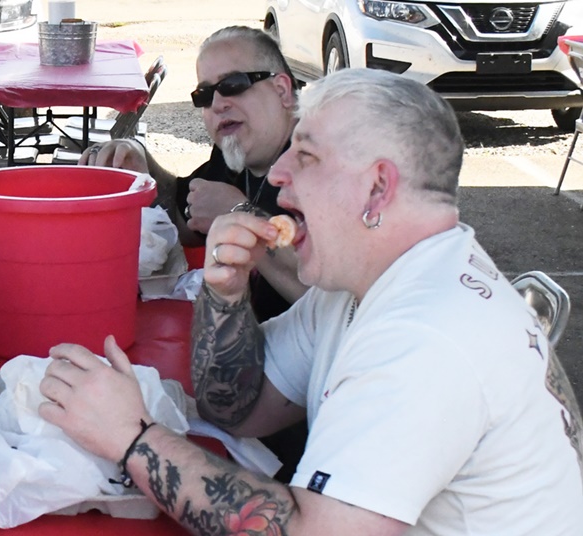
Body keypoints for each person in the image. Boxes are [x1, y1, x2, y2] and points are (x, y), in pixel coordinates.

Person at [42, 68, 583, 534]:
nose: (278, 175)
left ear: (377, 188)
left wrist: (132, 439)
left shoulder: (423, 338)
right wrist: (226, 295)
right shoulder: (366, 282)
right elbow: (239, 408)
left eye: (305, 155)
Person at [84, 26, 305, 322]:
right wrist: (142, 163)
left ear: (282, 90)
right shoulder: (235, 149)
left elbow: (332, 297)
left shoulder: (322, 160)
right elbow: (185, 220)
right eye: (205, 95)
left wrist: (238, 215)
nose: (218, 104)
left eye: (234, 84)